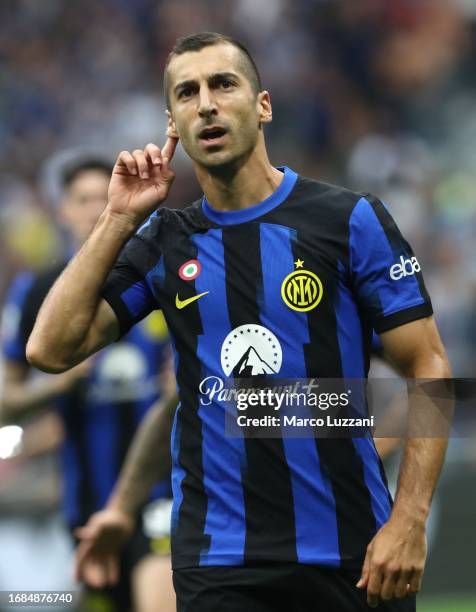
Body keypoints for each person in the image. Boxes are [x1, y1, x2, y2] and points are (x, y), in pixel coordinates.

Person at [27, 32, 451, 612]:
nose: (205, 103)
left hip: (354, 555)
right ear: (172, 121)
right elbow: (49, 350)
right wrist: (116, 218)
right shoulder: (164, 243)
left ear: (262, 105)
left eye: (223, 84)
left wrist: (410, 520)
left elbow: (428, 366)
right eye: (186, 92)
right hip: (219, 561)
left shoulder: (348, 219)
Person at [1, 155, 175, 612]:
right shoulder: (39, 292)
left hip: (163, 494)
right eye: (84, 200)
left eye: (105, 197)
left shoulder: (158, 276)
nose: (98, 208)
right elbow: (5, 403)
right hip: (84, 504)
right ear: (63, 210)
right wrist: (58, 383)